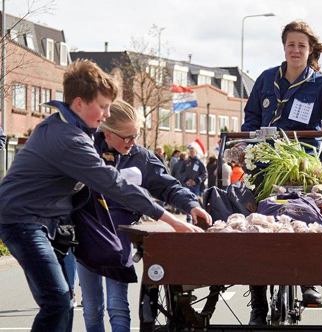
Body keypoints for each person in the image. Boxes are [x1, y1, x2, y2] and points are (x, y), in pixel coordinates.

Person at [0, 60, 203, 332]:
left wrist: (187, 204)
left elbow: (160, 182)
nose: (107, 114)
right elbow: (113, 183)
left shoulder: (68, 128)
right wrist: (171, 219)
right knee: (58, 301)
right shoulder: (69, 139)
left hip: (45, 222)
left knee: (63, 301)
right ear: (80, 103)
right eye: (103, 106)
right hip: (22, 221)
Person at [240, 20, 322, 326]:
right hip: (265, 163)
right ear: (284, 47)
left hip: (304, 163)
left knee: (309, 206)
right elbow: (251, 118)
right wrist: (245, 142)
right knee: (255, 223)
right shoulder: (266, 79)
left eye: (301, 46)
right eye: (291, 44)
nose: (296, 50)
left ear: (310, 51)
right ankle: (258, 305)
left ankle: (308, 279)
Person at [77, 100, 212, 332]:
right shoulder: (87, 151)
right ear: (107, 134)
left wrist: (191, 205)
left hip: (119, 239)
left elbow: (169, 186)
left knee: (117, 304)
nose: (133, 142)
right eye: (127, 137)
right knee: (92, 306)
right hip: (89, 234)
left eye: (136, 135)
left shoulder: (141, 157)